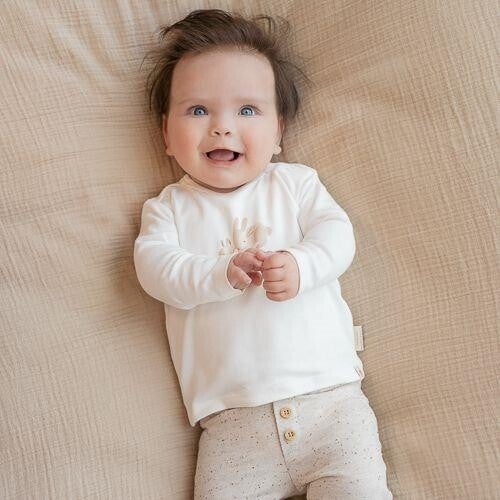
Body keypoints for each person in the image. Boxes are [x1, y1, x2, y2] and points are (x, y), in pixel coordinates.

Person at [134, 8, 393, 499]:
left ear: (278, 133)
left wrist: (301, 264)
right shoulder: (168, 209)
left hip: (333, 405)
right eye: (198, 111)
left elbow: (338, 235)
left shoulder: (295, 184)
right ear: (166, 134)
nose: (222, 127)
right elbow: (156, 270)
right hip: (232, 426)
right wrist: (219, 273)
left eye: (247, 111)